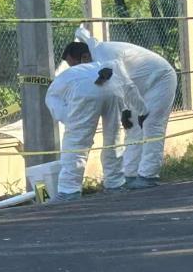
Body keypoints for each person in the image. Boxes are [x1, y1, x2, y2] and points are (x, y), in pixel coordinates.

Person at [75, 27, 178, 189]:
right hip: (140, 86)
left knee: (151, 125)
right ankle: (130, 175)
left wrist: (139, 110)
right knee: (133, 129)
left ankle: (148, 176)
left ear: (85, 57)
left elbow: (125, 84)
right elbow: (114, 87)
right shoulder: (95, 60)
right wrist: (126, 111)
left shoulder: (105, 57)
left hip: (161, 79)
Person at [45, 42, 147, 202]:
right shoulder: (110, 64)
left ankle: (68, 191)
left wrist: (71, 120)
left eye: (71, 63)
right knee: (113, 139)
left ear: (85, 56)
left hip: (86, 93)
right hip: (113, 91)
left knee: (76, 143)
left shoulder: (69, 74)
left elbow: (51, 98)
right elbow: (129, 87)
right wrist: (142, 111)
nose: (70, 66)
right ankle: (115, 184)